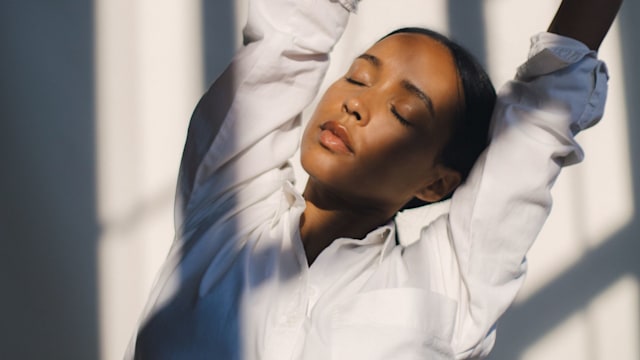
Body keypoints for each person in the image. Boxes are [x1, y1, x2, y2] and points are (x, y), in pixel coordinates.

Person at [126, 0, 622, 358]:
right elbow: (292, 35)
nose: (356, 104)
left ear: (435, 184)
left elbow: (540, 123)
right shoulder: (226, 210)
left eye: (404, 112)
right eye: (359, 77)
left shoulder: (449, 285)